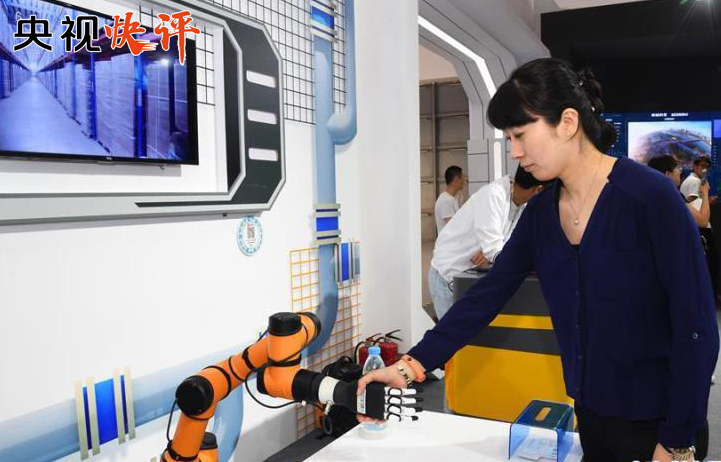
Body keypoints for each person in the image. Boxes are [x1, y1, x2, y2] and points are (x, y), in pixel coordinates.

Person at [358, 59, 718, 462]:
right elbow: (486, 296)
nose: (515, 152)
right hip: (592, 417)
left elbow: (697, 327)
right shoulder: (542, 214)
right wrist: (409, 367)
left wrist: (676, 441)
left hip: (662, 425)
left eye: (520, 135)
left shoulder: (649, 198)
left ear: (567, 123)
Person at [428, 165, 544, 320]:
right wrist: (494, 252)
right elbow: (495, 250)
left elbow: (509, 244)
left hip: (467, 277)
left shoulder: (521, 205)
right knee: (451, 333)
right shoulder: (494, 195)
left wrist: (493, 251)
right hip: (447, 277)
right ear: (538, 190)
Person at [647, 155, 710, 228]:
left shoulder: (650, 195)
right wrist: (705, 192)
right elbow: (702, 221)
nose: (680, 172)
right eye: (677, 168)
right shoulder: (671, 195)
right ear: (668, 174)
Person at [434, 166, 463, 233]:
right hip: (449, 240)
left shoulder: (453, 198)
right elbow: (453, 227)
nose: (463, 181)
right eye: (462, 178)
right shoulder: (446, 200)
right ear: (456, 180)